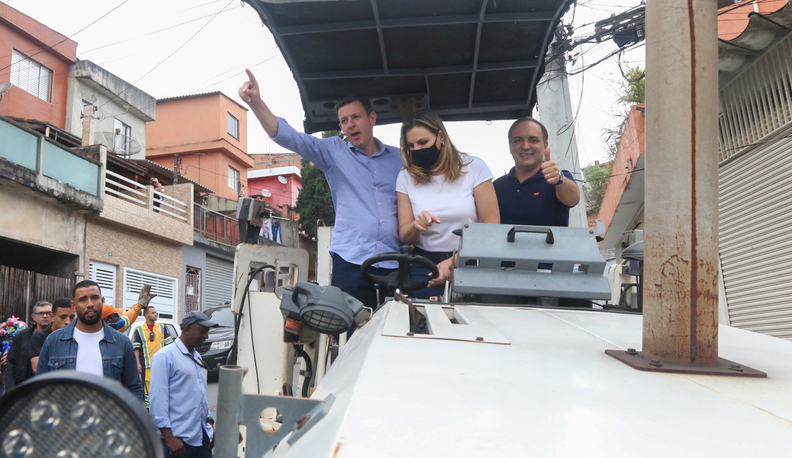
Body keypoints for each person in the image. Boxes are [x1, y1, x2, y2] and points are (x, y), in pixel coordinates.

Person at [239, 69, 402, 308]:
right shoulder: (333, 151)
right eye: (344, 121)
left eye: (355, 117)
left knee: (395, 333)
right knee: (350, 334)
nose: (350, 125)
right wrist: (256, 102)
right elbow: (289, 137)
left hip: (394, 260)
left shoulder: (399, 159)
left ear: (372, 118)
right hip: (351, 261)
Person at [396, 110, 500, 298]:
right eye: (411, 146)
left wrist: (453, 261)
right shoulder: (405, 176)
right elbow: (405, 235)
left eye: (423, 142)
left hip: (471, 260)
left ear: (441, 136)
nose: (417, 150)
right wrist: (416, 225)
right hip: (424, 264)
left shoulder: (474, 167)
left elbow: (492, 230)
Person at [36, 280, 143, 400]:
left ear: (102, 301)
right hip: (65, 417)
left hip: (110, 417)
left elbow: (134, 388)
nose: (90, 304)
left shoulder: (121, 342)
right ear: (73, 306)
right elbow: (41, 388)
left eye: (95, 298)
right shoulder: (54, 341)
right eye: (83, 299)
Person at [149, 311, 217, 458]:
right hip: (175, 442)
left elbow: (201, 395)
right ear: (187, 329)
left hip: (199, 440)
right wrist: (169, 438)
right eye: (202, 331)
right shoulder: (165, 356)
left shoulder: (197, 357)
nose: (206, 336)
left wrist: (209, 424)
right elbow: (158, 400)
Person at [494, 117, 580, 227]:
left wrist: (559, 179)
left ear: (545, 146)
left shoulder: (559, 179)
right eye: (518, 140)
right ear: (510, 146)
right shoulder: (497, 187)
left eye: (533, 140)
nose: (525, 146)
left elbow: (573, 200)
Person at [132, 305, 174, 408]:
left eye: (156, 312)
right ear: (146, 315)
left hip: (161, 365)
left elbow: (170, 347)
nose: (156, 314)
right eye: (153, 312)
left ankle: (162, 407)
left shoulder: (162, 328)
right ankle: (149, 409)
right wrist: (138, 363)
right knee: (148, 390)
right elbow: (136, 348)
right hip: (147, 366)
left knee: (162, 386)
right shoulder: (139, 330)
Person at [4, 300, 51, 388]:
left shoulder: (56, 336)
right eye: (41, 313)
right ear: (34, 317)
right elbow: (11, 362)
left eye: (48, 313)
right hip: (23, 385)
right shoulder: (22, 336)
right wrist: (10, 389)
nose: (45, 316)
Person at [28, 298, 75, 375]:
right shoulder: (39, 338)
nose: (68, 322)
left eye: (72, 317)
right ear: (52, 316)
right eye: (63, 317)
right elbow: (37, 369)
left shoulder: (77, 337)